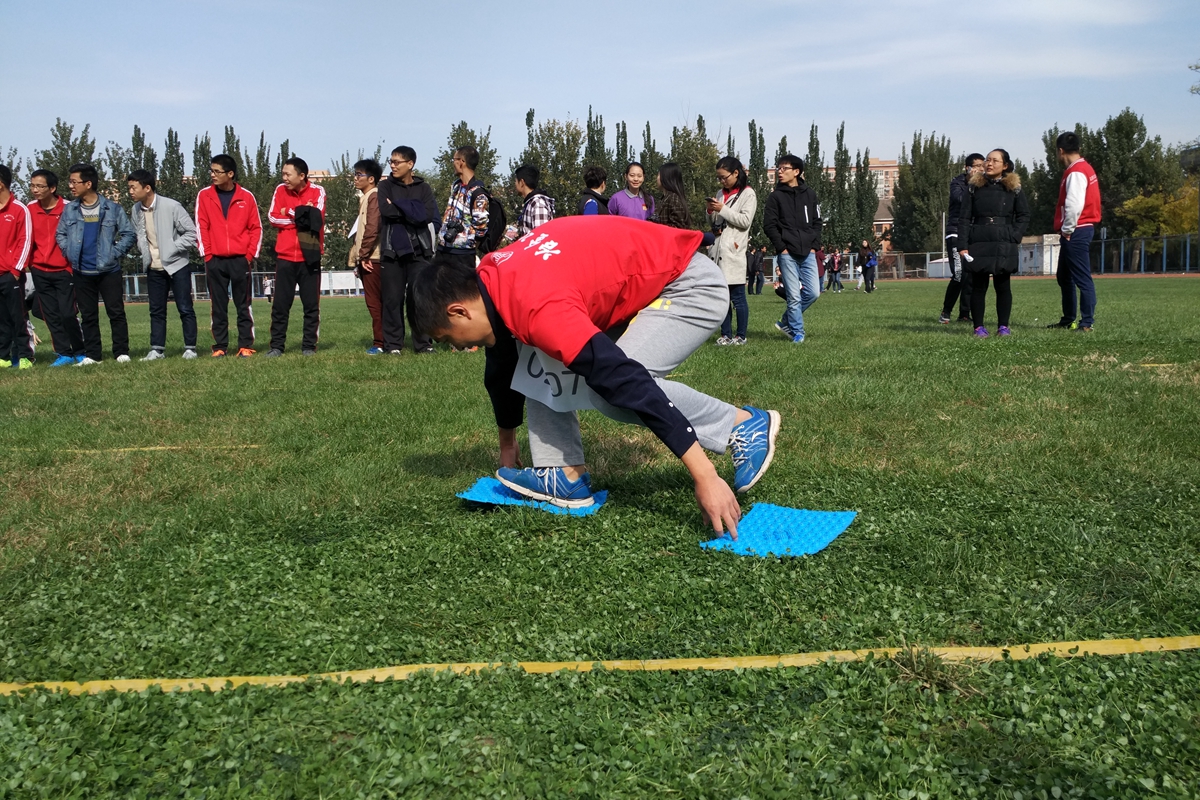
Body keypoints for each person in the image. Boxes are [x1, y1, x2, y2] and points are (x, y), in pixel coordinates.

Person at [412, 216, 781, 539]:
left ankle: (741, 424)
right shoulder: (494, 279)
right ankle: (563, 473)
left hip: (687, 284)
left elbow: (624, 380)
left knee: (610, 392)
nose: (455, 348)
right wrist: (507, 445)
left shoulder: (536, 305)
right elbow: (502, 363)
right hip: (641, 288)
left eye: (447, 339)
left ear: (459, 311)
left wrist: (705, 476)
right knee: (535, 348)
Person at [55, 163, 136, 365]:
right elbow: (60, 234)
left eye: (74, 182)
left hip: (109, 271)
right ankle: (93, 355)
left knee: (116, 313)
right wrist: (68, 251)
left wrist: (113, 254)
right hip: (81, 271)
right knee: (88, 316)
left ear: (88, 183)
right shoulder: (70, 209)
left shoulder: (112, 208)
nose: (71, 186)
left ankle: (121, 352)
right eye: (70, 182)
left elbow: (129, 234)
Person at [127, 169, 198, 361]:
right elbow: (139, 235)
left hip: (177, 265)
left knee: (185, 307)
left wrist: (172, 248)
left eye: (133, 187)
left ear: (147, 188)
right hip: (153, 267)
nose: (130, 192)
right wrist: (145, 254)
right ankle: (157, 350)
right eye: (129, 188)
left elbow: (191, 234)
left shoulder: (172, 206)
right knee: (156, 310)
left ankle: (190, 348)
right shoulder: (135, 210)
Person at [196, 154, 262, 358]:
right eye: (211, 171)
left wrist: (249, 255)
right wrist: (207, 255)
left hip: (240, 260)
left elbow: (256, 228)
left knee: (243, 305)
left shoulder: (246, 196)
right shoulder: (204, 195)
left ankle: (245, 345)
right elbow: (201, 226)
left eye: (217, 171)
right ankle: (220, 346)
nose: (213, 175)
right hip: (215, 260)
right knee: (218, 305)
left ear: (230, 173)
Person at [959, 149, 1030, 337]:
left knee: (1003, 286)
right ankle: (978, 327)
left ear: (1005, 165)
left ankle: (1003, 327)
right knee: (978, 286)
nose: (989, 164)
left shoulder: (1014, 188)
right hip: (979, 240)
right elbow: (964, 218)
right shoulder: (973, 187)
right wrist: (963, 245)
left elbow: (1023, 215)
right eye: (987, 160)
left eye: (995, 161)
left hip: (1004, 240)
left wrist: (1014, 235)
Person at [377, 145, 438, 354]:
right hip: (391, 249)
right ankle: (393, 344)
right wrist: (413, 208)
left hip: (420, 249)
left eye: (397, 162)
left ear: (410, 164)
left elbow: (426, 215)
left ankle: (423, 344)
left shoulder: (424, 188)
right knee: (392, 299)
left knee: (419, 297)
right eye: (391, 162)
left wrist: (398, 205)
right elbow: (386, 210)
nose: (392, 166)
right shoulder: (385, 186)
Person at [265, 157, 325, 358]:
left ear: (301, 175)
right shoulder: (280, 190)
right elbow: (273, 217)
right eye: (283, 173)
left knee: (311, 305)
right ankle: (277, 346)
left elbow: (316, 219)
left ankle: (309, 346)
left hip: (310, 257)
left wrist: (289, 212)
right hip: (285, 256)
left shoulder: (318, 191)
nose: (284, 178)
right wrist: (300, 215)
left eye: (287, 174)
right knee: (280, 305)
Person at [27, 169, 85, 365]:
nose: (35, 190)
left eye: (40, 186)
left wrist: (72, 265)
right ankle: (64, 353)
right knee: (50, 314)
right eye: (32, 185)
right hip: (39, 270)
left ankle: (80, 350)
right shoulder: (30, 209)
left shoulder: (69, 208)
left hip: (64, 270)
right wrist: (30, 264)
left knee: (68, 313)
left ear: (52, 188)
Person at [763, 154, 822, 344]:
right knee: (794, 296)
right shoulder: (775, 197)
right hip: (787, 253)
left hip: (808, 252)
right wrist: (782, 248)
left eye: (784, 168)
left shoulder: (810, 195)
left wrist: (814, 246)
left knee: (813, 292)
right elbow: (769, 225)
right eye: (778, 168)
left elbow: (817, 222)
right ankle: (798, 333)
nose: (779, 172)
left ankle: (786, 321)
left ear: (796, 171)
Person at [1049, 131, 1101, 332]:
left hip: (1076, 229)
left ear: (1060, 151)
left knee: (1081, 277)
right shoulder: (1085, 168)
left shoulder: (1076, 172)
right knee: (1064, 276)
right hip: (1079, 228)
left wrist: (1067, 229)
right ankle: (1068, 319)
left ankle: (1086, 322)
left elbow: (1074, 204)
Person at [707, 157, 757, 346]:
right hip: (717, 250)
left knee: (738, 297)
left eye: (724, 177)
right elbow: (715, 222)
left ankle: (740, 335)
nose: (721, 181)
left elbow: (745, 221)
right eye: (719, 178)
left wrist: (723, 209)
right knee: (723, 298)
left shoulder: (748, 194)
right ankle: (725, 334)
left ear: (736, 173)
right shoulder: (720, 193)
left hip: (733, 250)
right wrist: (710, 211)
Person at [940, 153, 985, 323]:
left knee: (971, 275)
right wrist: (973, 184)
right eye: (977, 166)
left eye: (982, 166)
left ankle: (964, 314)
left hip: (973, 234)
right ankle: (946, 311)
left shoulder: (984, 184)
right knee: (959, 274)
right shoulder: (957, 183)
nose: (980, 169)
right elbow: (960, 199)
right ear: (968, 168)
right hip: (956, 233)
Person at [348, 159, 384, 353]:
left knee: (375, 302)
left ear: (371, 179)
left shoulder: (373, 196)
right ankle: (385, 341)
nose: (355, 178)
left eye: (358, 175)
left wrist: (363, 256)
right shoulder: (366, 197)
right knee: (376, 302)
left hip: (373, 258)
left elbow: (372, 228)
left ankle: (380, 343)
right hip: (369, 257)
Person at [0, 165, 32, 369]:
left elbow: (25, 240)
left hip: (11, 274)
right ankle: (3, 357)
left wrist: (15, 270)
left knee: (18, 317)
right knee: (1, 319)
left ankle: (25, 356)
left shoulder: (19, 209)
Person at [439, 146, 489, 269]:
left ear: (462, 162)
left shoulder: (478, 193)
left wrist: (467, 242)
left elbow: (481, 228)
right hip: (443, 250)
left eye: (454, 160)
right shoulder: (456, 187)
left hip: (462, 255)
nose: (453, 163)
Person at [511, 165, 555, 238]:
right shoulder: (530, 203)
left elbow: (541, 236)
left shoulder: (538, 203)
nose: (515, 184)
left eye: (515, 181)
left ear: (522, 182)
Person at [653, 162, 692, 229]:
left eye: (659, 175)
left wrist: (658, 228)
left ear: (666, 177)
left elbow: (678, 227)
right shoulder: (664, 198)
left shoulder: (673, 198)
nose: (657, 178)